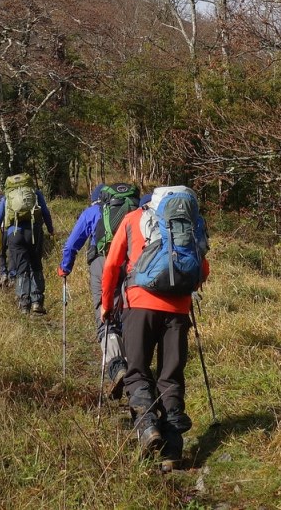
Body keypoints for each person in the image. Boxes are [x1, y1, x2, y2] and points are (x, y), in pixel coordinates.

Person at [100, 184, 210, 464]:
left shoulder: (134, 218)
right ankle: (172, 450)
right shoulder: (192, 222)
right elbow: (203, 266)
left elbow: (112, 265)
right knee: (171, 375)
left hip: (139, 305)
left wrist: (107, 304)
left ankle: (148, 427)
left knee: (136, 370)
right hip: (178, 308)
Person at [56, 182, 142, 397]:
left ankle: (116, 366)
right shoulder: (137, 210)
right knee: (130, 312)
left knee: (105, 312)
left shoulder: (93, 212)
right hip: (134, 263)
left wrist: (65, 268)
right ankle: (136, 367)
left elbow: (72, 244)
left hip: (103, 264)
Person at [0, 173, 55, 314]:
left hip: (15, 234)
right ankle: (37, 302)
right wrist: (50, 229)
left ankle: (24, 304)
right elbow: (46, 213)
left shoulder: (8, 196)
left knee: (21, 269)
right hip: (34, 232)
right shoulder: (35, 193)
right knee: (36, 265)